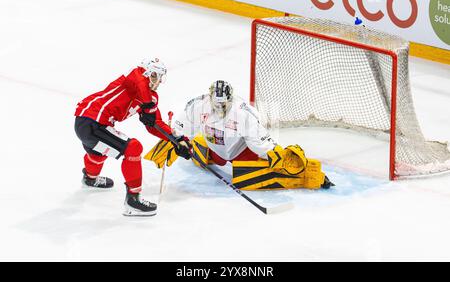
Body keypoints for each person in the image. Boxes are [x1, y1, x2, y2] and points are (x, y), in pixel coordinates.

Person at [147, 80, 333, 190]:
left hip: (241, 151)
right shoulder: (198, 105)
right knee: (193, 149)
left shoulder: (243, 113)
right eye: (216, 104)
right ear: (210, 99)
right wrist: (177, 142)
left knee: (257, 172)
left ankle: (309, 174)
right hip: (214, 151)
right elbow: (181, 127)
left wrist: (277, 157)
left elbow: (261, 143)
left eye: (223, 105)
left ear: (231, 99)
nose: (219, 108)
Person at [74, 58, 191, 216]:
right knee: (133, 148)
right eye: (154, 75)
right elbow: (139, 80)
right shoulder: (134, 77)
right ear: (147, 72)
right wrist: (148, 105)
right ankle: (133, 201)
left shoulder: (150, 97)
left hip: (92, 125)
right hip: (91, 120)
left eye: (160, 78)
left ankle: (90, 178)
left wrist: (177, 140)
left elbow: (155, 124)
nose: (157, 81)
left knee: (99, 151)